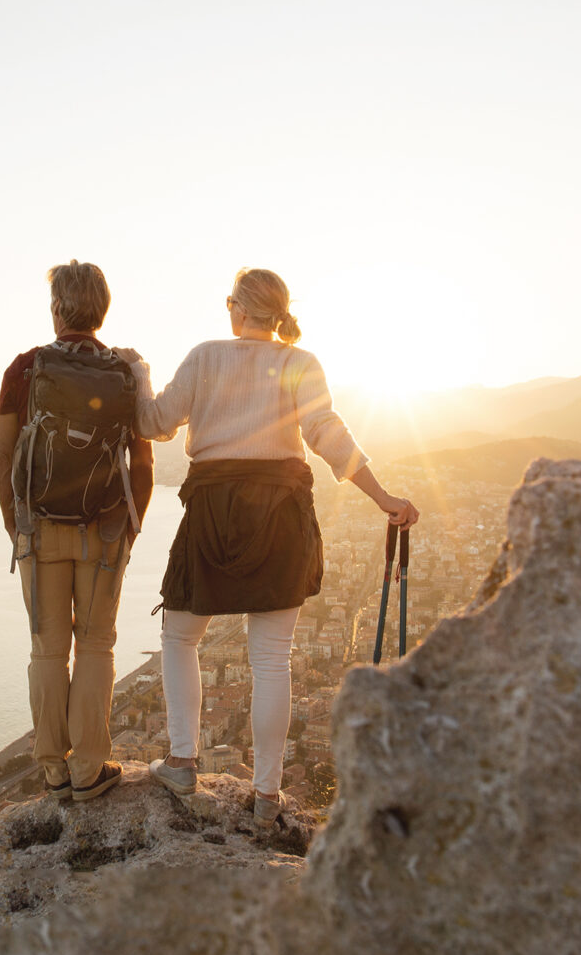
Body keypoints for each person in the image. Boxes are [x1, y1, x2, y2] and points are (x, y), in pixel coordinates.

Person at [124, 268, 418, 822]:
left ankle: (183, 761)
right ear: (279, 313)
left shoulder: (206, 357)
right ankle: (265, 796)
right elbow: (328, 434)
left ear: (235, 308)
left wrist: (138, 372)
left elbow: (153, 422)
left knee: (179, 635)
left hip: (213, 510)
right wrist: (382, 497)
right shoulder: (300, 362)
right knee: (270, 658)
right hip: (282, 512)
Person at [0, 261, 154, 802]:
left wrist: (17, 528)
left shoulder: (24, 370)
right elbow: (144, 467)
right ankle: (89, 769)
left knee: (47, 650)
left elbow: (3, 460)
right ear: (101, 308)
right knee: (96, 647)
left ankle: (53, 770)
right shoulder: (124, 374)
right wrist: (129, 531)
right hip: (105, 535)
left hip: (38, 531)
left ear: (57, 308)